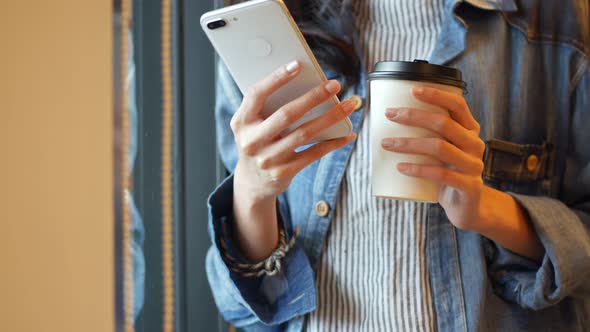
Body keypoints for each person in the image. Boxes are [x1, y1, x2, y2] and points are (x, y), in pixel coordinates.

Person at [205, 0, 590, 331]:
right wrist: (252, 192)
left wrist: (485, 209)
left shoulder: (553, 21)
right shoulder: (270, 22)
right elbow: (251, 305)